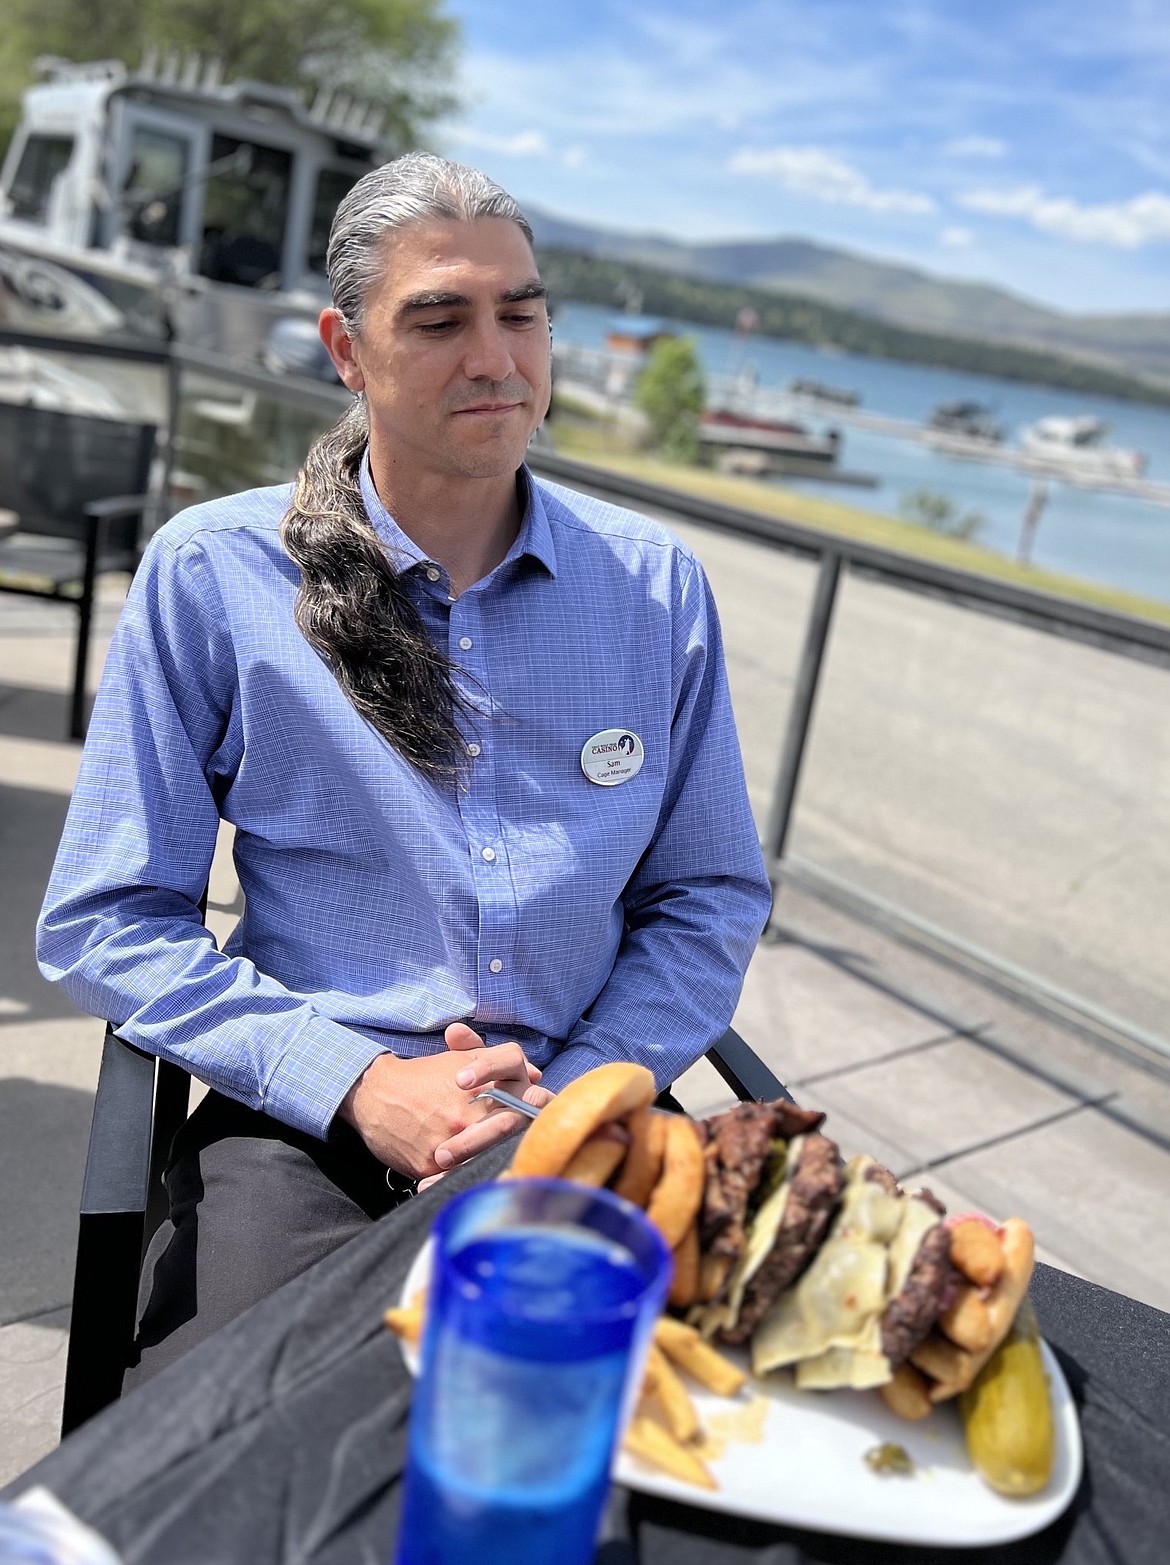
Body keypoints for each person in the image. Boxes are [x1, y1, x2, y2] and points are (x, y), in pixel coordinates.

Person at [37, 154, 771, 1379]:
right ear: (345, 347)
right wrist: (362, 1083)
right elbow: (108, 917)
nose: (496, 355)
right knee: (233, 1442)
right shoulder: (216, 577)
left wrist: (580, 1090)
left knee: (670, 1459)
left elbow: (707, 899)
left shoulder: (655, 592)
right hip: (307, 1122)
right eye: (439, 317)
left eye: (521, 311)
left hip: (581, 1118)